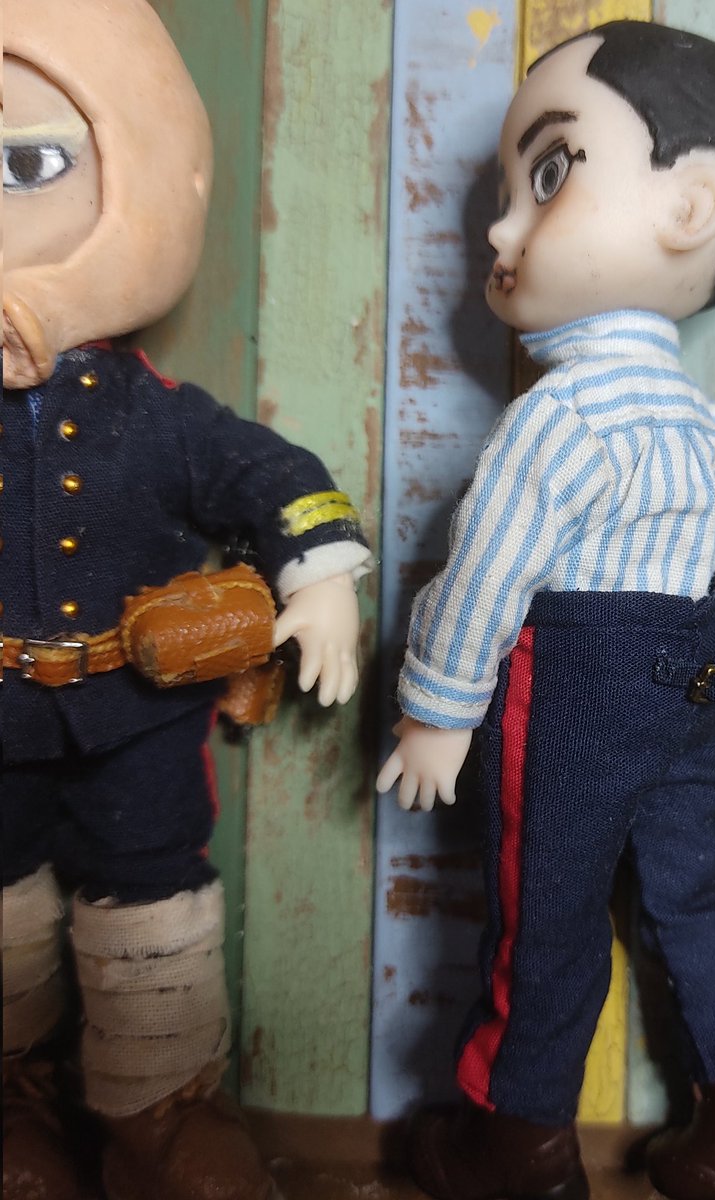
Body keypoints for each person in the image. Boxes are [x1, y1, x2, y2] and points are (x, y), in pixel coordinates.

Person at [378, 21, 715, 1200]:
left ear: (691, 207)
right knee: (696, 890)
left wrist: (438, 707)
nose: (501, 230)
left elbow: (490, 568)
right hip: (695, 682)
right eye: (503, 195)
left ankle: (520, 1138)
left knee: (548, 914)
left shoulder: (564, 416)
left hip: (576, 687)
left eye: (548, 174)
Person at [2, 3, 369, 1197]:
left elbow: (276, 476)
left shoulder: (154, 414)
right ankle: (16, 1102)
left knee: (151, 901)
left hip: (135, 713)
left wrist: (322, 577)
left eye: (26, 164)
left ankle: (157, 1107)